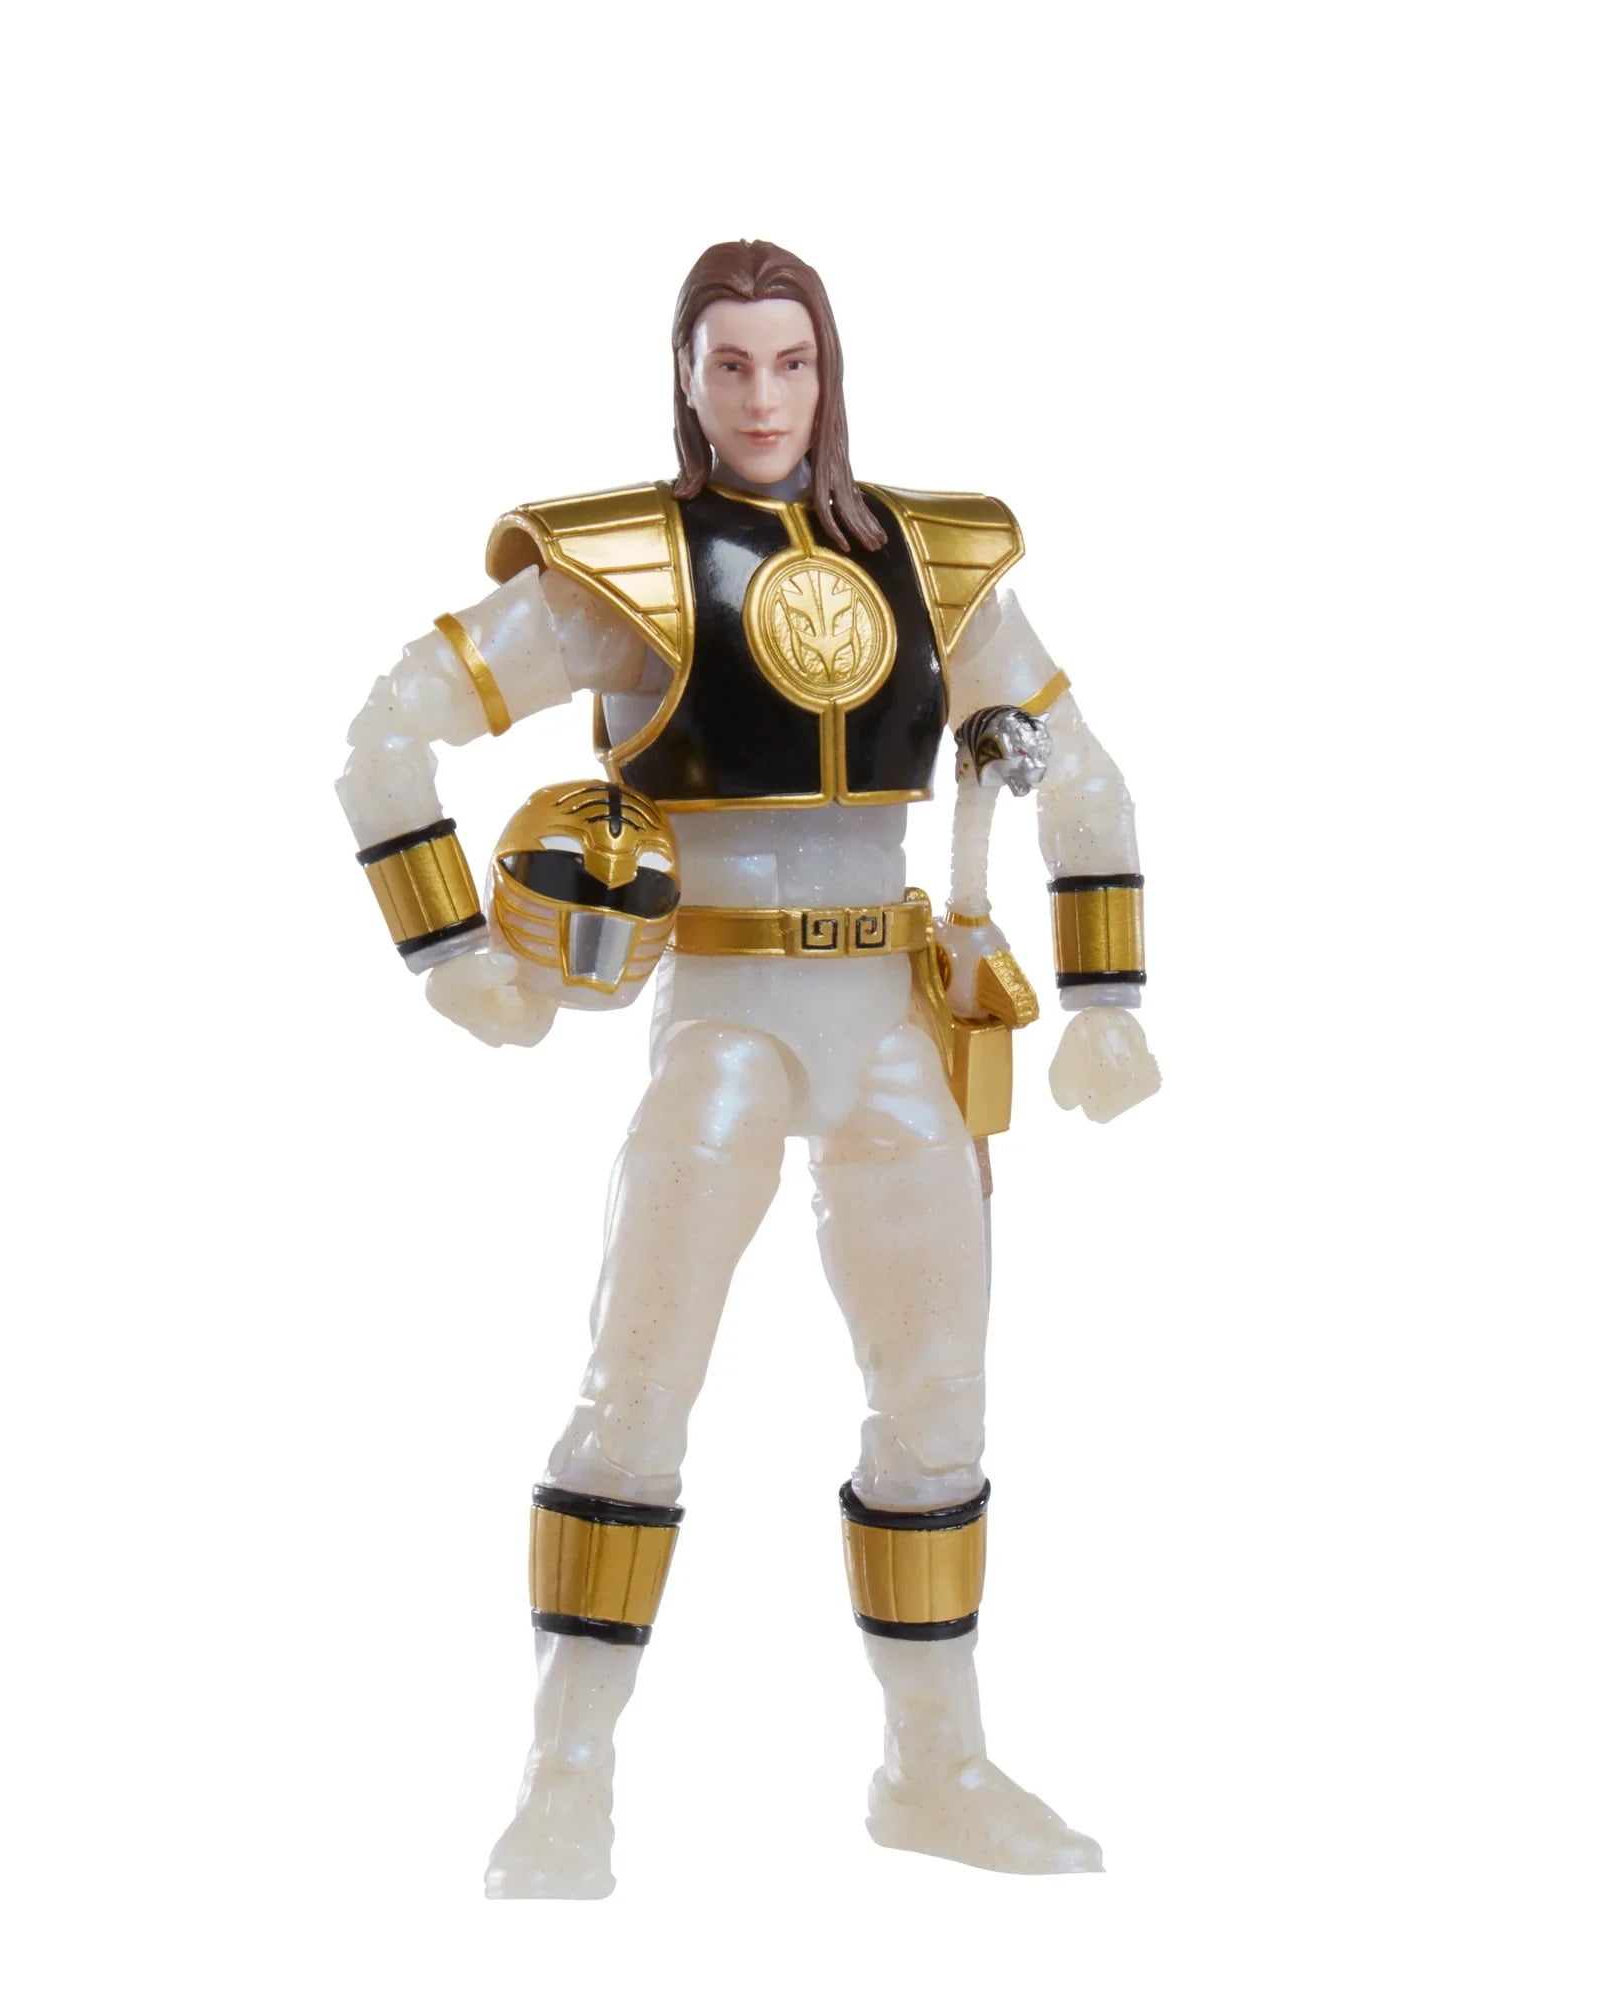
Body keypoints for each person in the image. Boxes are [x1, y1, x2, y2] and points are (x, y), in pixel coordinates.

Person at [337, 239, 1160, 1897]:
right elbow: (386, 734)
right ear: (686, 375)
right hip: (721, 1019)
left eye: (792, 362)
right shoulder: (625, 567)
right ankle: (565, 1780)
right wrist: (454, 956)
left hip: (897, 1029)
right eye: (732, 365)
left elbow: (1086, 779)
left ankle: (935, 1765)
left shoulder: (935, 563)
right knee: (637, 1389)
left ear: (828, 370)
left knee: (938, 1402)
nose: (765, 397)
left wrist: (1108, 999)